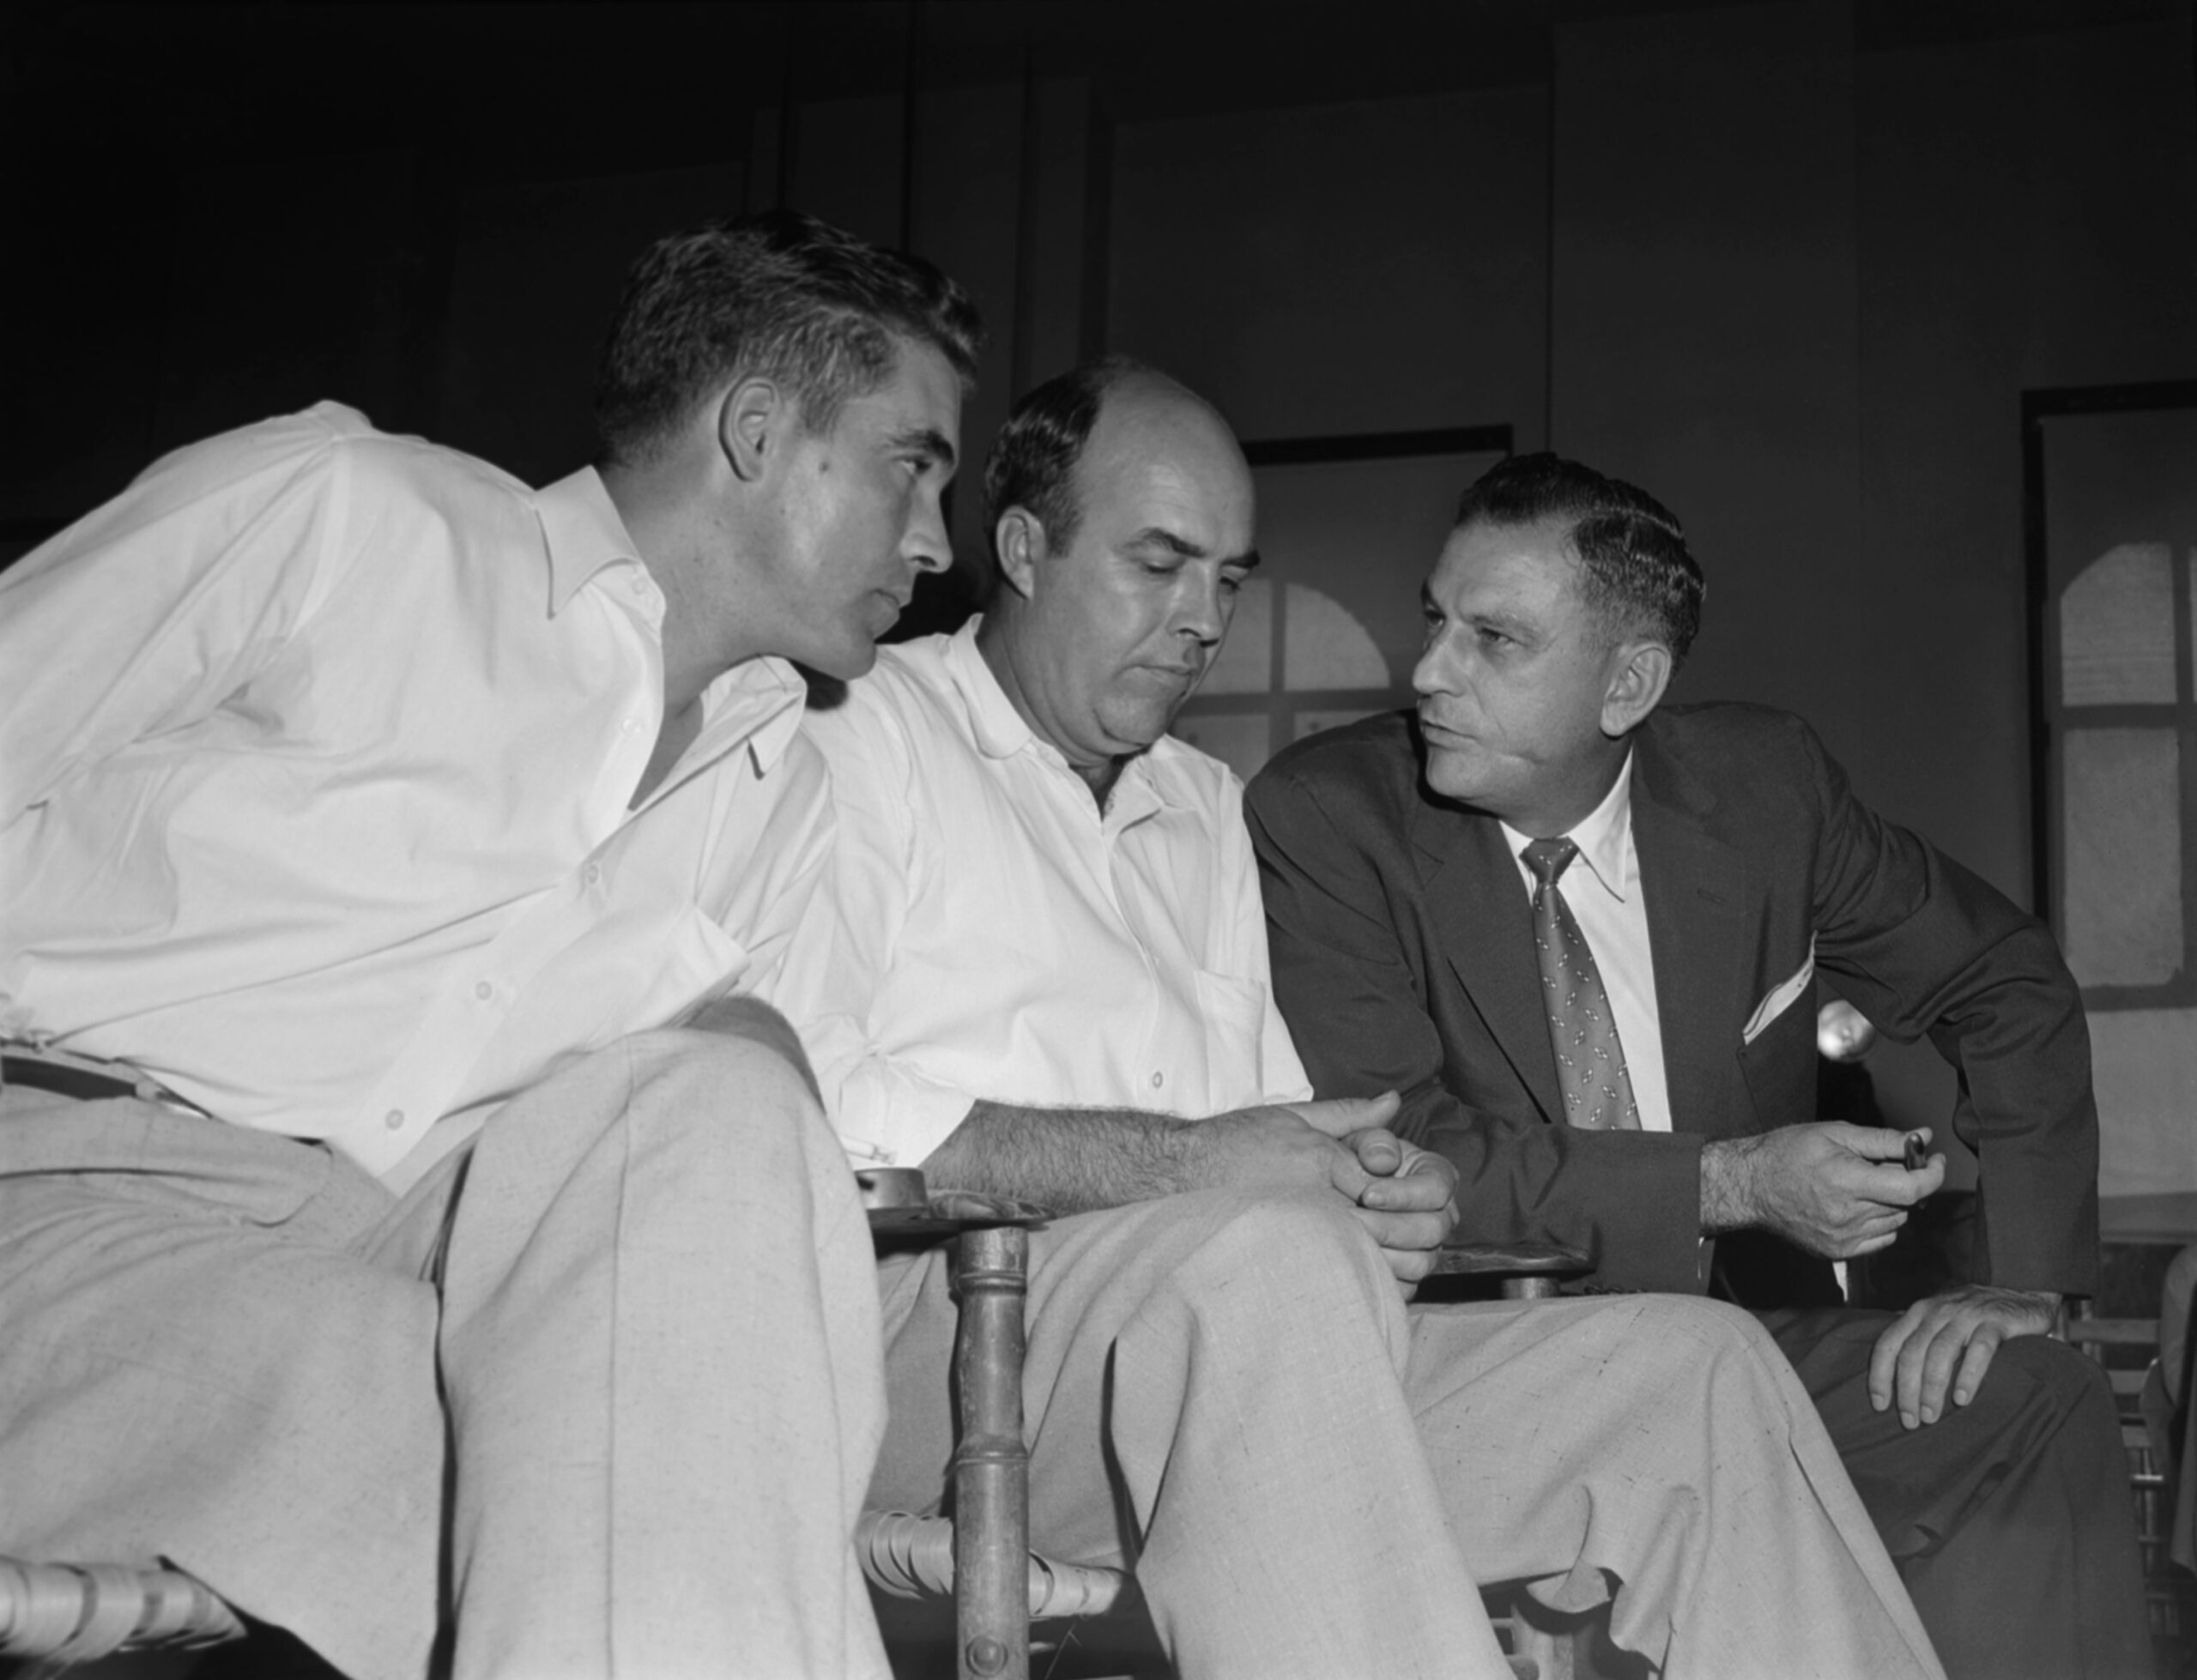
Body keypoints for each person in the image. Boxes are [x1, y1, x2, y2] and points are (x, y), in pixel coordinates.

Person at [761, 360, 1948, 1680]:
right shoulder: (851, 733)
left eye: (1227, 578)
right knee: (1257, 1260)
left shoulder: (1209, 804)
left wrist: (1368, 1187)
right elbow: (801, 1096)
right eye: (1158, 564)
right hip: (940, 1355)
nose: (1200, 620)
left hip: (1237, 1356)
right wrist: (1203, 1167)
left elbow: (1272, 1132)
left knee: (1693, 1374)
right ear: (1026, 547)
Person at [0, 209, 979, 1679]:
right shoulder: (347, 516)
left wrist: (745, 1060)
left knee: (709, 1146)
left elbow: (755, 1148)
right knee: (527, 1432)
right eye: (916, 465)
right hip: (80, 1197)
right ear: (761, 429)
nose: (936, 542)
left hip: (414, 1256)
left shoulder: (788, 796)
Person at [1244, 450, 2150, 1680]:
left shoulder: (1764, 788)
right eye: (1435, 620)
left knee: (2035, 1398)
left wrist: (2029, 1279)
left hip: (1748, 1339)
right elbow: (1421, 1159)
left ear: (1629, 683)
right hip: (1482, 1373)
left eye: (1492, 639)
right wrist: (1736, 1180)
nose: (1427, 674)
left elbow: (2008, 978)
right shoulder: (1327, 816)